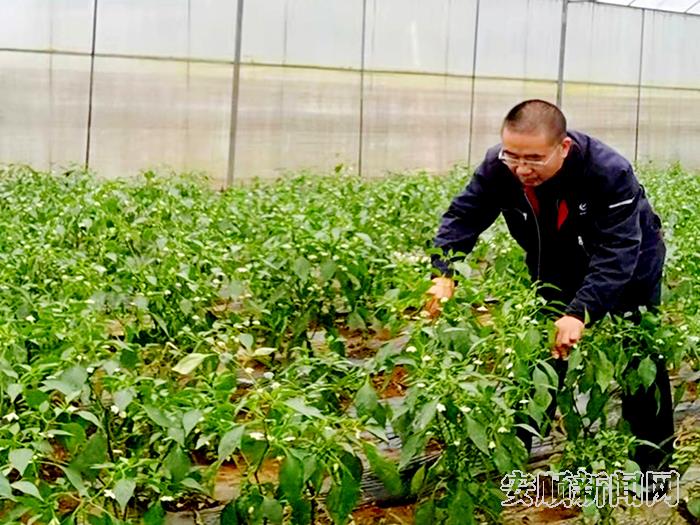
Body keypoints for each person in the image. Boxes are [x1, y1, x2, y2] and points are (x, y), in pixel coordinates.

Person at [426, 99, 673, 472]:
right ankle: (511, 456)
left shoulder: (608, 172)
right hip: (556, 265)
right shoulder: (499, 167)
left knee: (638, 356)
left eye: (535, 159)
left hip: (631, 267)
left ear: (564, 148)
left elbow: (618, 251)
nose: (522, 168)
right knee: (541, 352)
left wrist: (581, 312)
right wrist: (444, 272)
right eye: (513, 156)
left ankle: (653, 470)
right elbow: (465, 214)